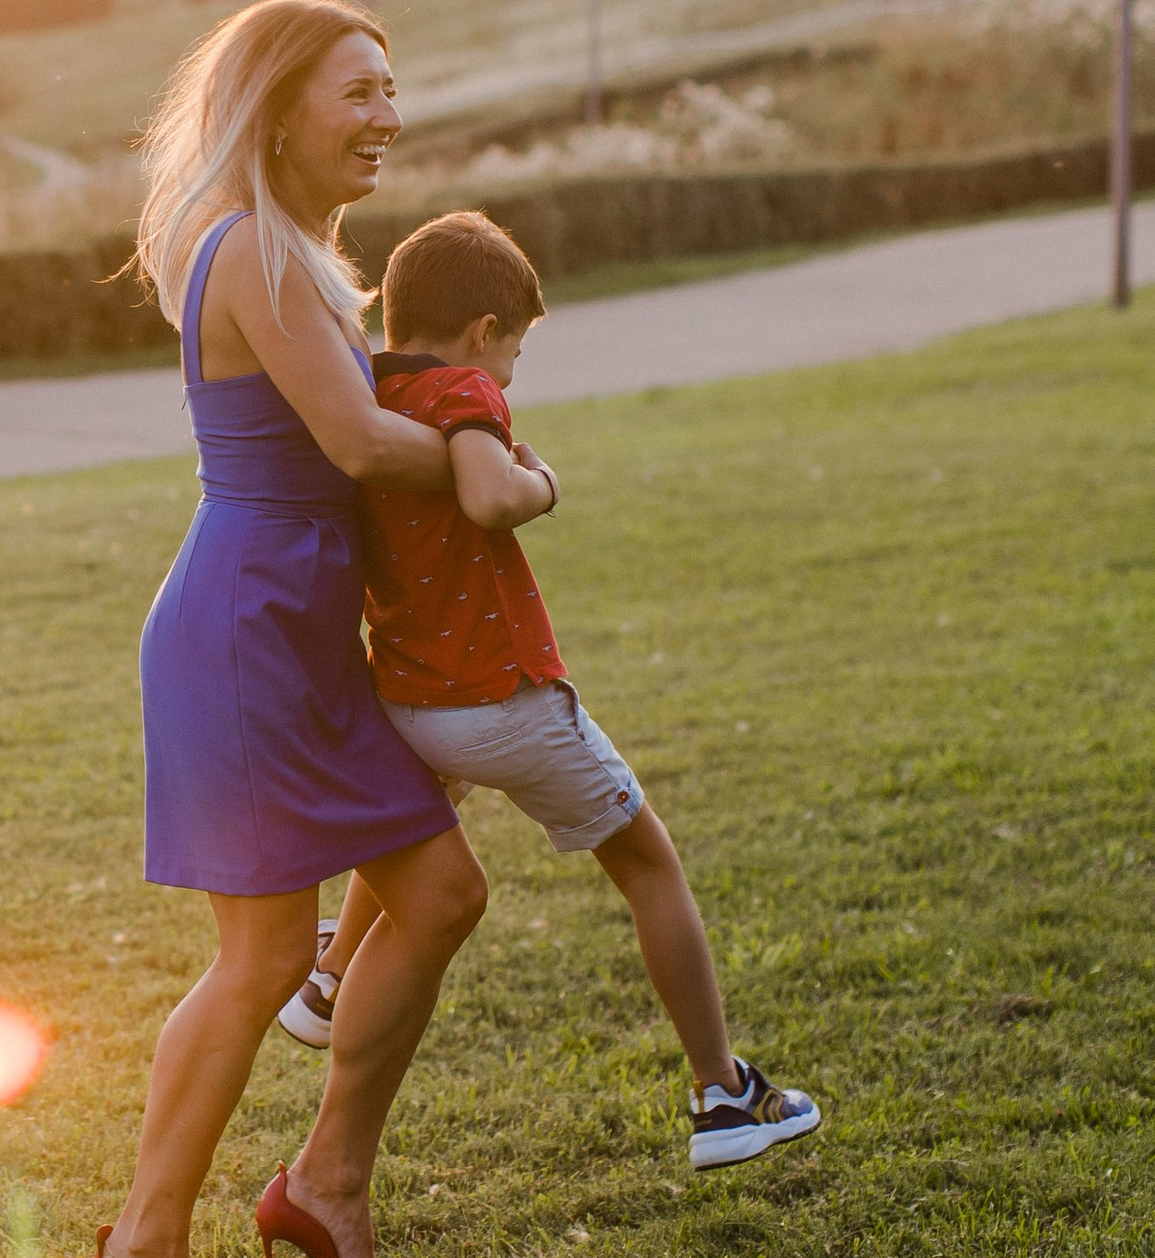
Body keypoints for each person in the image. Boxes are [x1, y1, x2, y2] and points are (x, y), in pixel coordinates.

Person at [275, 206, 822, 1170]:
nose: (511, 374)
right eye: (516, 352)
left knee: (425, 812)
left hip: (410, 702)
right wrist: (545, 482)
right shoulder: (462, 389)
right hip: (504, 700)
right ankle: (725, 1096)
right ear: (485, 331)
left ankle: (327, 982)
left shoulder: (368, 392)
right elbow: (489, 496)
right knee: (648, 863)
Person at [96, 0, 489, 1258]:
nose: (388, 117)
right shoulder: (256, 248)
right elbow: (360, 444)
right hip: (246, 633)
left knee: (439, 891)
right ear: (278, 113)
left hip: (297, 628)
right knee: (262, 957)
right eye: (358, 92)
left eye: (391, 88)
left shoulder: (299, 251)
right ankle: (146, 1251)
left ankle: (326, 1188)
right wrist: (497, 459)